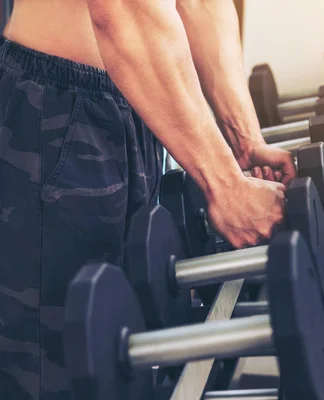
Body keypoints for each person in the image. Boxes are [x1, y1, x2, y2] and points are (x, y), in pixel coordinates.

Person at [0, 0, 297, 399]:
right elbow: (122, 6)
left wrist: (243, 139)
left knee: (117, 358)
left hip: (133, 104)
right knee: (58, 375)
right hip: (56, 107)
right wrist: (224, 185)